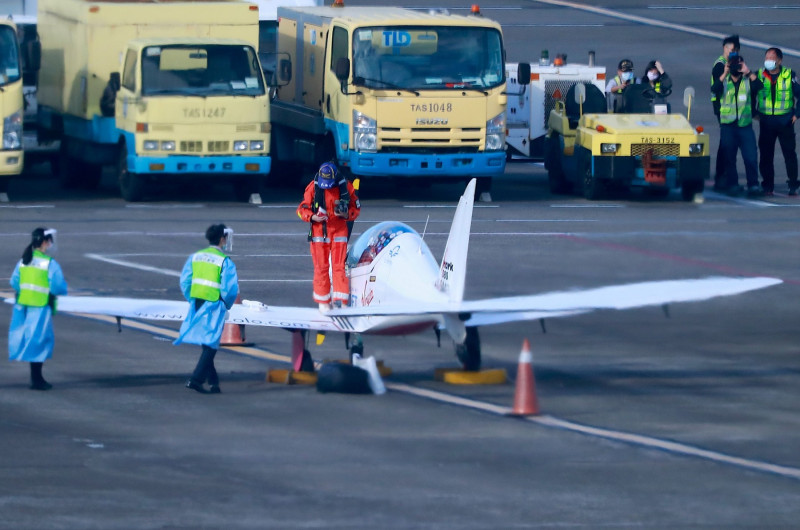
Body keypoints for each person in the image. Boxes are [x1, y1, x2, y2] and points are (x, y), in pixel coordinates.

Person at [175, 224, 239, 394]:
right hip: (214, 303)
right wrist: (226, 304)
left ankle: (213, 382)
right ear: (222, 239)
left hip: (197, 302)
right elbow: (230, 289)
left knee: (206, 341)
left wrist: (192, 297)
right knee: (211, 344)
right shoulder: (225, 261)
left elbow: (185, 281)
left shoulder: (196, 256)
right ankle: (196, 380)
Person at [8, 228, 67, 390]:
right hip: (40, 307)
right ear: (46, 242)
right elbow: (57, 285)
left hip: (23, 306)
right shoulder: (49, 263)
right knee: (40, 342)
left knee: (30, 340)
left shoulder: (23, 261)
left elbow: (14, 282)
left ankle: (36, 378)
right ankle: (37, 379)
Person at [297, 162, 360, 312]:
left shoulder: (346, 187)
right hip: (319, 233)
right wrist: (312, 217)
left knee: (339, 268)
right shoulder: (313, 187)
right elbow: (301, 209)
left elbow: (356, 208)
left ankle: (341, 301)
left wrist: (346, 214)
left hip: (339, 232)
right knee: (321, 268)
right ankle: (323, 302)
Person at [748, 47, 800, 196]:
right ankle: (767, 185)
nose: (768, 61)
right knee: (766, 155)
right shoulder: (759, 75)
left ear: (779, 60)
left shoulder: (789, 75)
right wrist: (754, 113)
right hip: (766, 122)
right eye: (767, 58)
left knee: (789, 155)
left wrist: (796, 114)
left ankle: (792, 184)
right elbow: (750, 94)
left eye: (771, 58)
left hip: (785, 121)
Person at [712, 53, 759, 196]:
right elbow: (715, 89)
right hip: (728, 126)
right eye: (734, 64)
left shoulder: (747, 80)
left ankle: (753, 185)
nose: (736, 67)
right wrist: (725, 72)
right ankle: (732, 184)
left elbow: (759, 86)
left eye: (739, 64)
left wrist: (748, 71)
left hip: (745, 126)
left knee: (750, 157)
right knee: (729, 158)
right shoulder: (724, 81)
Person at [711, 35, 741, 191]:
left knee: (728, 144)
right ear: (724, 48)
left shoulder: (737, 64)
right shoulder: (720, 66)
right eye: (728, 49)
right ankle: (722, 177)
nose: (731, 52)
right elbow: (717, 86)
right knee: (726, 144)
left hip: (735, 109)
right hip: (723, 109)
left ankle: (724, 177)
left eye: (733, 50)